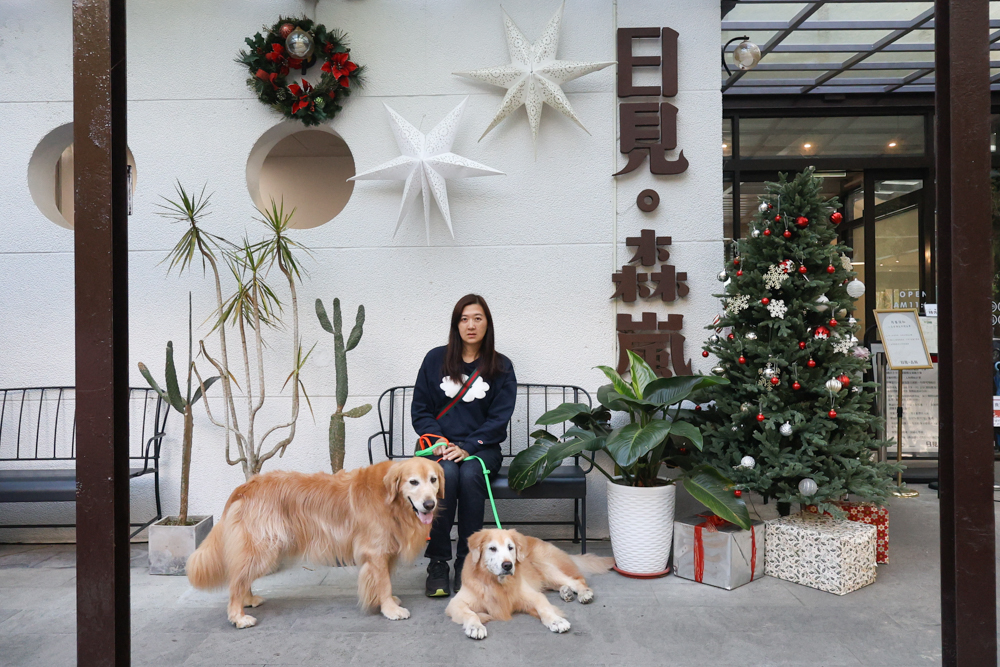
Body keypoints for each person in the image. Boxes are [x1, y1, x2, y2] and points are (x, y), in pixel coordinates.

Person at [411, 294, 517, 597]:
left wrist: (470, 446)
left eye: (478, 318)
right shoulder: (435, 360)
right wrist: (441, 444)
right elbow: (421, 410)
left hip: (482, 450)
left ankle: (469, 562)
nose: (471, 325)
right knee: (447, 474)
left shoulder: (502, 366)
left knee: (469, 474)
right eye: (464, 318)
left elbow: (499, 419)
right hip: (439, 449)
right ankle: (439, 563)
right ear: (456, 324)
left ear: (487, 324)